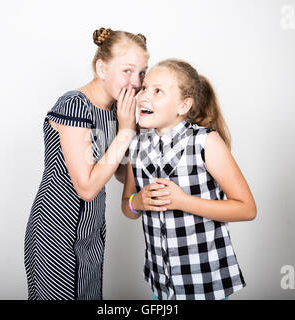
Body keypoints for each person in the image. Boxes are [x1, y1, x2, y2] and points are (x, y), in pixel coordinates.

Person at [24, 28, 149, 300]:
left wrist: (138, 134)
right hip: (55, 232)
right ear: (102, 68)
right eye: (127, 71)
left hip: (91, 232)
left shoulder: (116, 111)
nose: (136, 82)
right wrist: (126, 132)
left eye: (141, 72)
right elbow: (87, 188)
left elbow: (115, 172)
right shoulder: (74, 105)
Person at [122, 59, 257, 300]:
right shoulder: (137, 145)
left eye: (157, 91)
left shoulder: (206, 142)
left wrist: (183, 201)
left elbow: (247, 209)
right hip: (161, 285)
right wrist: (137, 202)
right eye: (144, 88)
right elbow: (128, 207)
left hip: (205, 284)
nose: (144, 96)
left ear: (183, 105)